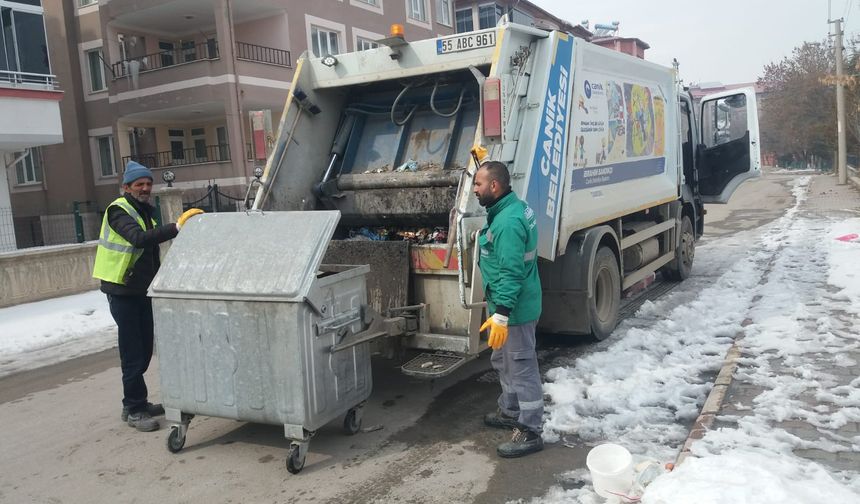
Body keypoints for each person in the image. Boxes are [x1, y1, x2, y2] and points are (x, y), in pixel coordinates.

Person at [92, 161, 203, 432]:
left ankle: (135, 401)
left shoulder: (145, 210)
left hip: (142, 289)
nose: (144, 188)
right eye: (139, 184)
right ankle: (134, 407)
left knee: (143, 350)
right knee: (133, 351)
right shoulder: (118, 210)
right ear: (126, 187)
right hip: (122, 290)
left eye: (147, 184)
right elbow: (139, 240)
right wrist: (176, 227)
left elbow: (150, 251)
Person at [473, 159, 544, 458]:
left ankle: (531, 429)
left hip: (515, 310)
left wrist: (501, 314)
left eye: (478, 184)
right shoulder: (508, 208)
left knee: (522, 366)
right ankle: (510, 410)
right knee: (503, 361)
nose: (474, 189)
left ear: (494, 186)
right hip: (507, 307)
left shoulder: (508, 223)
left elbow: (511, 273)